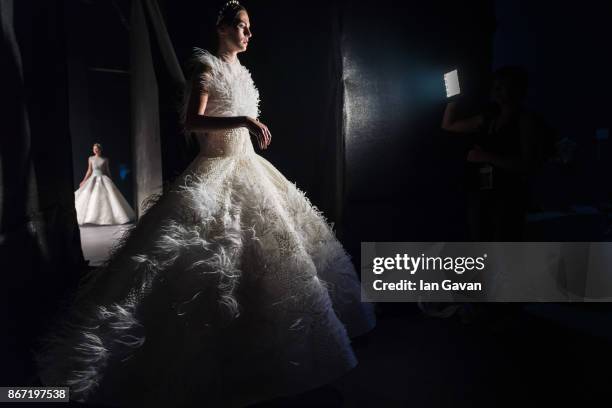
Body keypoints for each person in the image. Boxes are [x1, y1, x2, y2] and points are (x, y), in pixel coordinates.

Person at [36, 2, 376, 407]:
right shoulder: (205, 68)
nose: (249, 34)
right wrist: (243, 122)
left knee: (274, 256)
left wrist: (245, 125)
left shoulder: (242, 72)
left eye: (250, 28)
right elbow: (191, 123)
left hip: (250, 167)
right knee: (202, 264)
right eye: (242, 26)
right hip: (216, 169)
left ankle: (265, 361)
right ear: (222, 27)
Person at [442, 66, 539, 240]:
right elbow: (448, 125)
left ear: (516, 89)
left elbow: (527, 164)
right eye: (495, 87)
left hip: (507, 197)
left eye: (502, 87)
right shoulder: (487, 118)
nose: (496, 91)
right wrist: (453, 98)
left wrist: (485, 156)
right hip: (480, 193)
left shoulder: (525, 121)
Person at [74, 143, 136, 225]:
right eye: (94, 149)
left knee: (106, 197)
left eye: (96, 149)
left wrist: (111, 179)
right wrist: (84, 180)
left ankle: (105, 219)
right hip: (93, 179)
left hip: (103, 178)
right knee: (91, 196)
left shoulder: (105, 159)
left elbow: (107, 170)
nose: (95, 150)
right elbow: (89, 171)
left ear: (100, 149)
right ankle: (89, 219)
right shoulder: (91, 158)